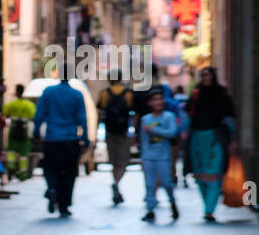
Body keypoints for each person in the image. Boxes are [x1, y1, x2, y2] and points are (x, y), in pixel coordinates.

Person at [185, 65, 238, 221]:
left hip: (215, 136)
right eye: (203, 75)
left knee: (215, 172)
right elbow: (189, 112)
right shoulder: (196, 93)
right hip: (197, 137)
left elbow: (229, 116)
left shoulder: (221, 93)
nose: (206, 78)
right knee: (200, 174)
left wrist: (233, 138)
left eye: (208, 75)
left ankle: (209, 210)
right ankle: (207, 206)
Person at [33, 76, 88, 217]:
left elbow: (39, 114)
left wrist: (36, 132)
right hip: (70, 139)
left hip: (52, 138)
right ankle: (64, 205)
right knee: (69, 173)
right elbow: (82, 118)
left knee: (50, 168)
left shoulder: (48, 92)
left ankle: (52, 188)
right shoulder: (76, 94)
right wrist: (85, 138)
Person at [138, 88, 180, 223]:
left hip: (164, 156)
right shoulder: (145, 119)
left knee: (167, 182)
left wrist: (153, 130)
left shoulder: (169, 117)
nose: (158, 102)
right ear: (149, 103)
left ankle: (172, 203)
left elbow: (172, 132)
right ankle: (150, 209)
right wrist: (143, 157)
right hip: (149, 156)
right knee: (149, 184)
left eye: (160, 99)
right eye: (154, 100)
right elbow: (143, 139)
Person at [96, 71, 133, 204]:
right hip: (123, 132)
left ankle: (115, 183)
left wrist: (96, 131)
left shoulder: (105, 93)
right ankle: (117, 183)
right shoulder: (128, 93)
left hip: (110, 131)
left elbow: (100, 113)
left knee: (114, 161)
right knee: (123, 162)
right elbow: (132, 113)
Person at [3, 84, 36, 181]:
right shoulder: (29, 105)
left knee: (11, 151)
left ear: (16, 91)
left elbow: (5, 113)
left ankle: (11, 167)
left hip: (13, 131)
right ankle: (22, 173)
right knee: (24, 154)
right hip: (24, 132)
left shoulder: (11, 104)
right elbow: (33, 115)